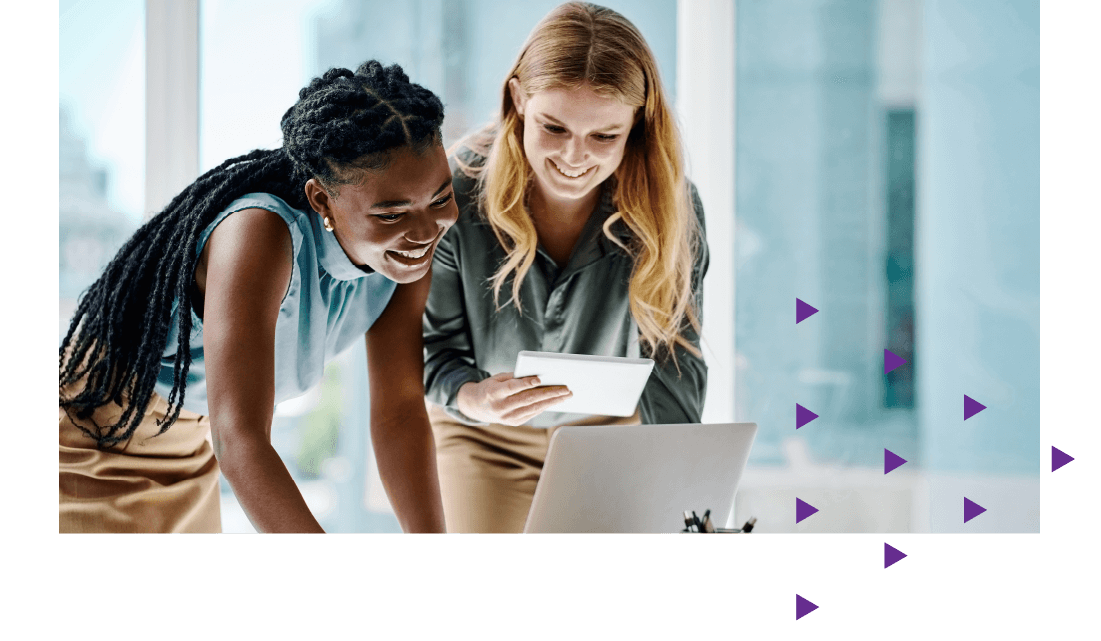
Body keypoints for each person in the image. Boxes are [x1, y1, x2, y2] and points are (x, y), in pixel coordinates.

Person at [59, 61, 456, 534]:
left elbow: (399, 411)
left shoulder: (402, 262)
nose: (425, 232)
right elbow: (242, 439)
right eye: (391, 214)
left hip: (191, 446)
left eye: (440, 198)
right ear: (321, 199)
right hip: (95, 441)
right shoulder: (259, 233)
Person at [423, 2, 709, 534]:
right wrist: (473, 397)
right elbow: (434, 352)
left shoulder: (672, 207)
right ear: (517, 101)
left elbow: (676, 358)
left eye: (604, 136)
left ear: (636, 128)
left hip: (609, 433)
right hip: (483, 434)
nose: (575, 158)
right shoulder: (455, 195)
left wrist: (679, 489)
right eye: (553, 127)